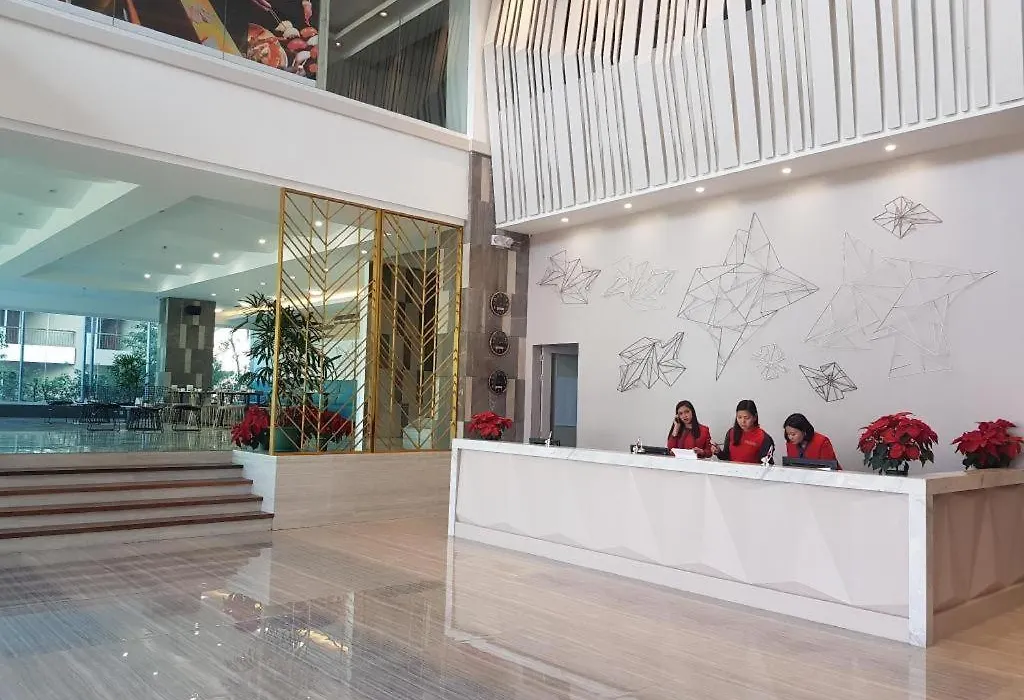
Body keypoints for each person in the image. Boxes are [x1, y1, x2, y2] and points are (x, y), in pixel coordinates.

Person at [713, 400, 775, 464]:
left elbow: (768, 464)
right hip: (732, 469)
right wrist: (718, 452)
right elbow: (726, 457)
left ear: (755, 417)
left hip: (753, 470)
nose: (743, 421)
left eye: (746, 418)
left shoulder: (763, 437)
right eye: (739, 417)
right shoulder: (731, 432)